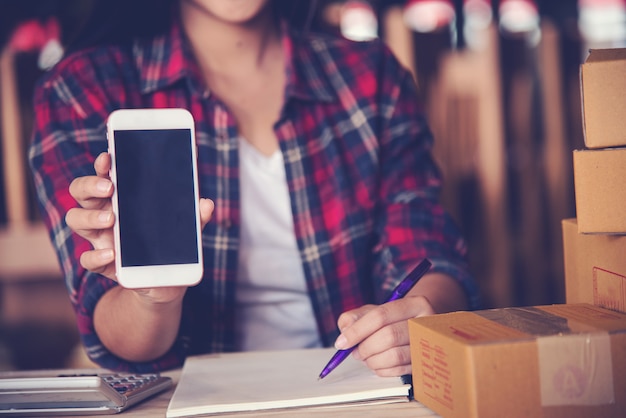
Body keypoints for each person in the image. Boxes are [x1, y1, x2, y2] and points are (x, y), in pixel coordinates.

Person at [29, 0, 480, 375]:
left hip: (356, 390)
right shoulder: (81, 88)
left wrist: (425, 316)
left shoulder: (371, 75)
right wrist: (155, 297)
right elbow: (117, 337)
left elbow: (426, 252)